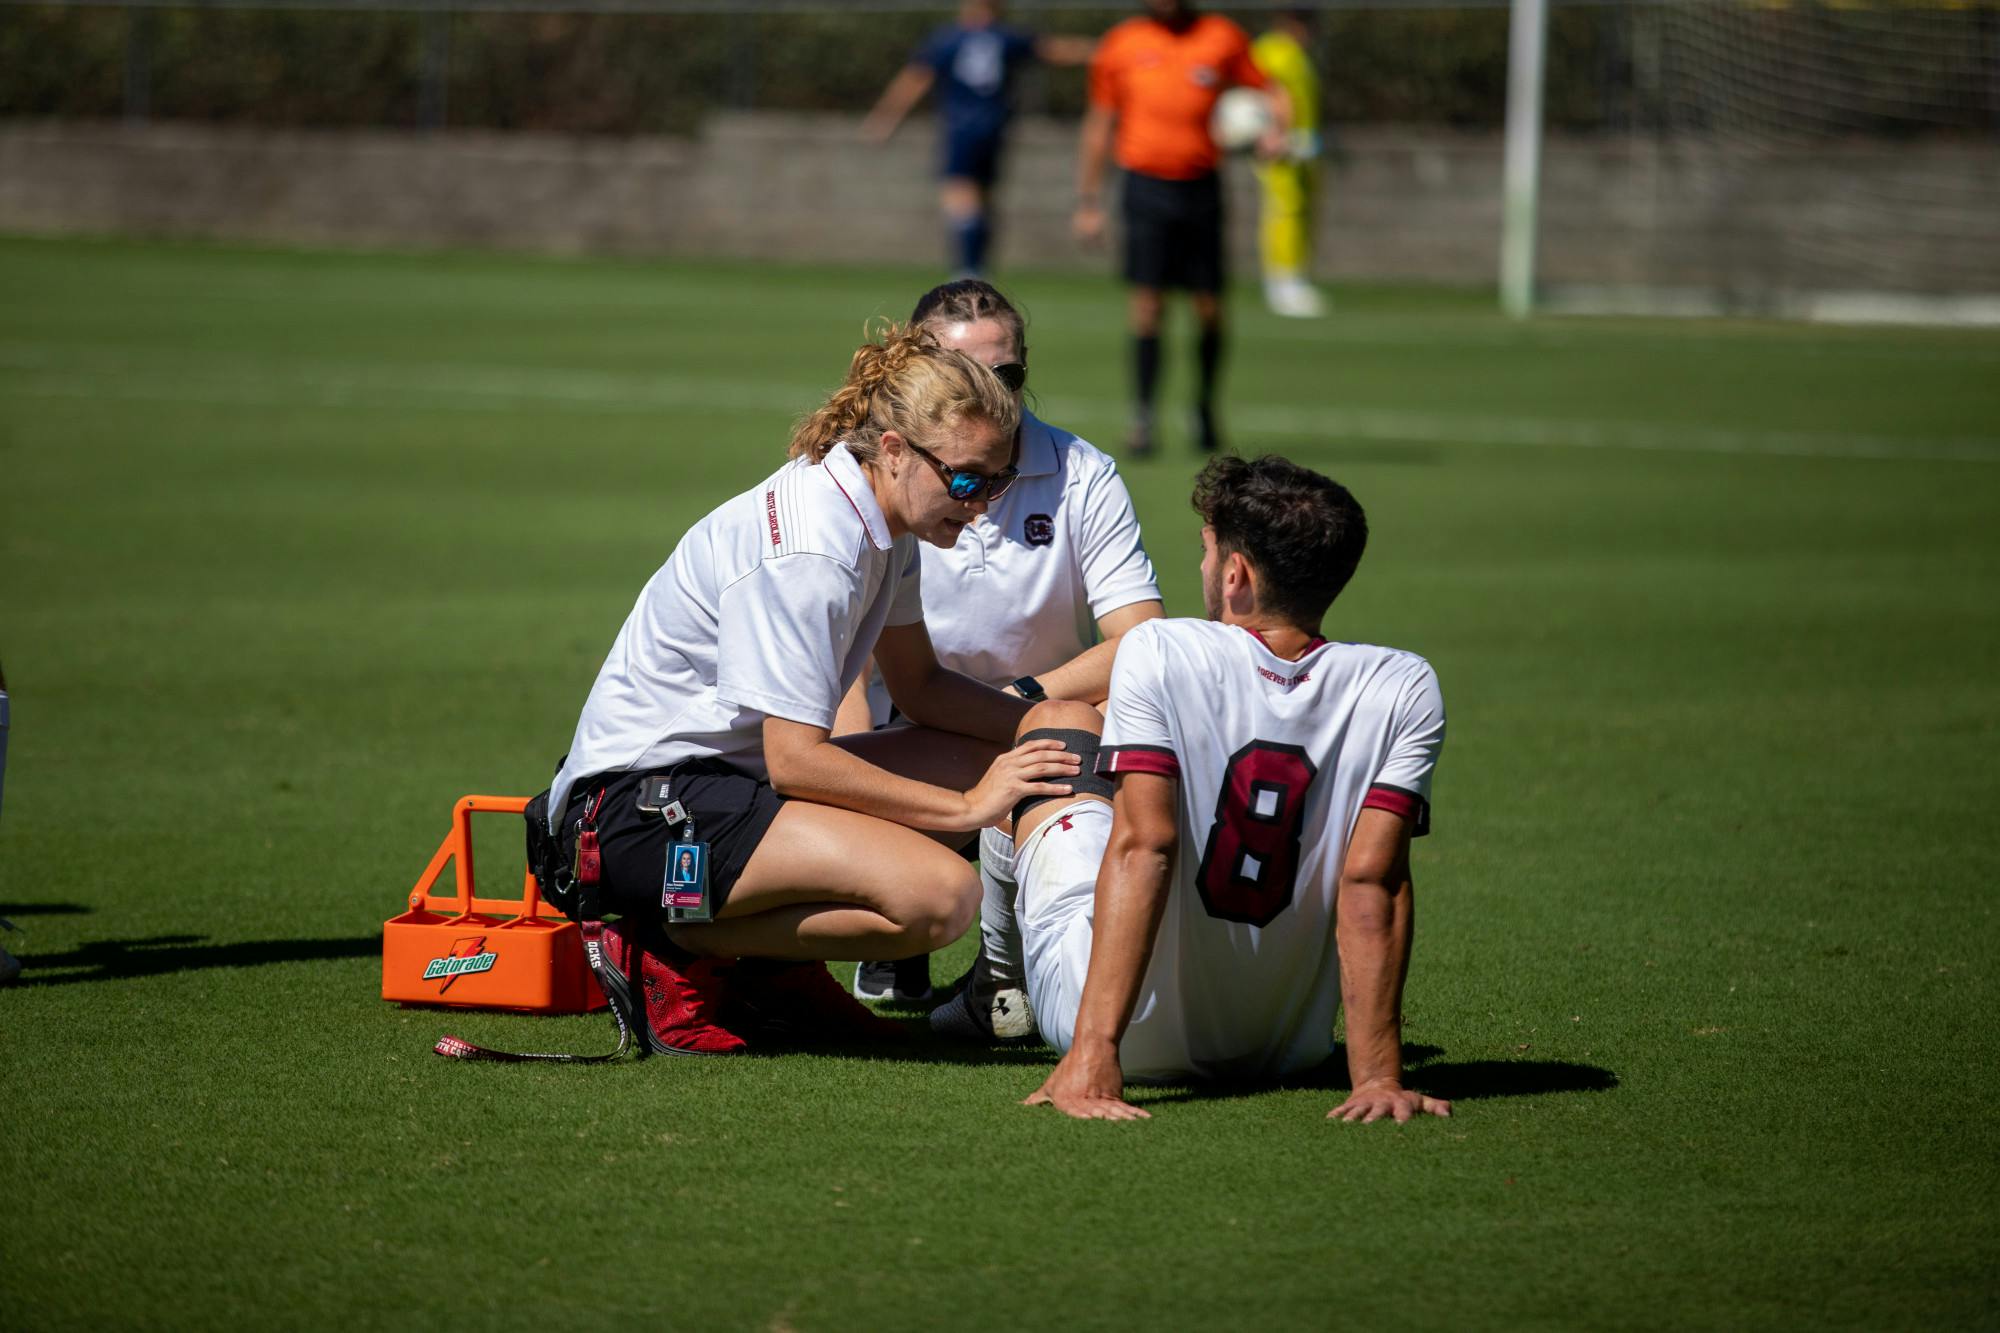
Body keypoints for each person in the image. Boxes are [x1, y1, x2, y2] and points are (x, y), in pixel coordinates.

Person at [537, 325, 1081, 1056]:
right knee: (942, 897)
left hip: (729, 783)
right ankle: (672, 944)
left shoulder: (887, 518)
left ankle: (771, 973)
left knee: (1033, 744)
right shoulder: (814, 548)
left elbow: (919, 687)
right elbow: (796, 760)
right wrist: (967, 806)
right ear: (892, 450)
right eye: (966, 478)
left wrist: (1042, 722)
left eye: (998, 480)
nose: (983, 503)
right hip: (633, 812)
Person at [1004, 454, 1451, 1122]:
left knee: (1053, 728)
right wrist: (1380, 1077)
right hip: (1284, 1049)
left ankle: (993, 982)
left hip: (1118, 1033)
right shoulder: (1405, 685)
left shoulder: (1158, 648)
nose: (1206, 569)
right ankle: (1370, 1069)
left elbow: (1144, 847)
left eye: (1210, 554)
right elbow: (1374, 885)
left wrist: (1094, 1053)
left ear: (1236, 574)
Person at [834, 279, 1165, 1021]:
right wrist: (856, 795)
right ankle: (897, 928)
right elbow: (843, 659)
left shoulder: (1082, 471)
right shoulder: (878, 473)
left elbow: (1141, 633)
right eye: (966, 373)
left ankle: (1010, 965)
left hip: (1033, 718)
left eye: (1008, 374)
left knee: (1139, 706)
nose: (995, 393)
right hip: (906, 728)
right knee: (821, 726)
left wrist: (1021, 703)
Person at [1074, 1, 1289, 456]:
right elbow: (1100, 122)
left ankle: (1204, 409)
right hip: (1144, 188)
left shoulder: (1221, 36)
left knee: (1209, 308)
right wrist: (1089, 200)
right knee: (1148, 306)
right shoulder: (1123, 42)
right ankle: (1143, 418)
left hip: (1200, 189)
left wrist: (1275, 131)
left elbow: (1272, 91)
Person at [863, 1, 1095, 278]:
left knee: (959, 198)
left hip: (960, 128)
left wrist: (884, 118)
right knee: (984, 201)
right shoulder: (1008, 37)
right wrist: (1099, 49)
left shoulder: (947, 39)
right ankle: (981, 268)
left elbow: (915, 79)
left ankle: (969, 270)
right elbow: (1054, 50)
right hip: (995, 128)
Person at [1253, 9, 1328, 318]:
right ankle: (1281, 282)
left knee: (1304, 212)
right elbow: (1264, 92)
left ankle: (1297, 275)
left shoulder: (1298, 55)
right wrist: (1275, 134)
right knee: (1284, 209)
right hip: (1280, 148)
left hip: (1304, 148)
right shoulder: (1271, 50)